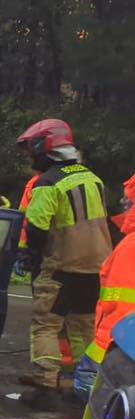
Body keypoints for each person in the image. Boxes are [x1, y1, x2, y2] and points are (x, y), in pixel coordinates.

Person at [16, 118, 112, 391]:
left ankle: (45, 379)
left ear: (45, 149)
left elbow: (36, 226)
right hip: (95, 266)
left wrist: (27, 254)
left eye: (31, 151)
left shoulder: (47, 182)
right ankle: (86, 381)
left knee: (45, 324)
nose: (30, 157)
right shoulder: (92, 178)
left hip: (61, 265)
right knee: (84, 326)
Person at [75, 172, 135, 401]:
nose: (123, 203)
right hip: (120, 346)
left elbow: (119, 304)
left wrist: (100, 354)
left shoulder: (131, 246)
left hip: (116, 349)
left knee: (101, 414)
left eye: (128, 198)